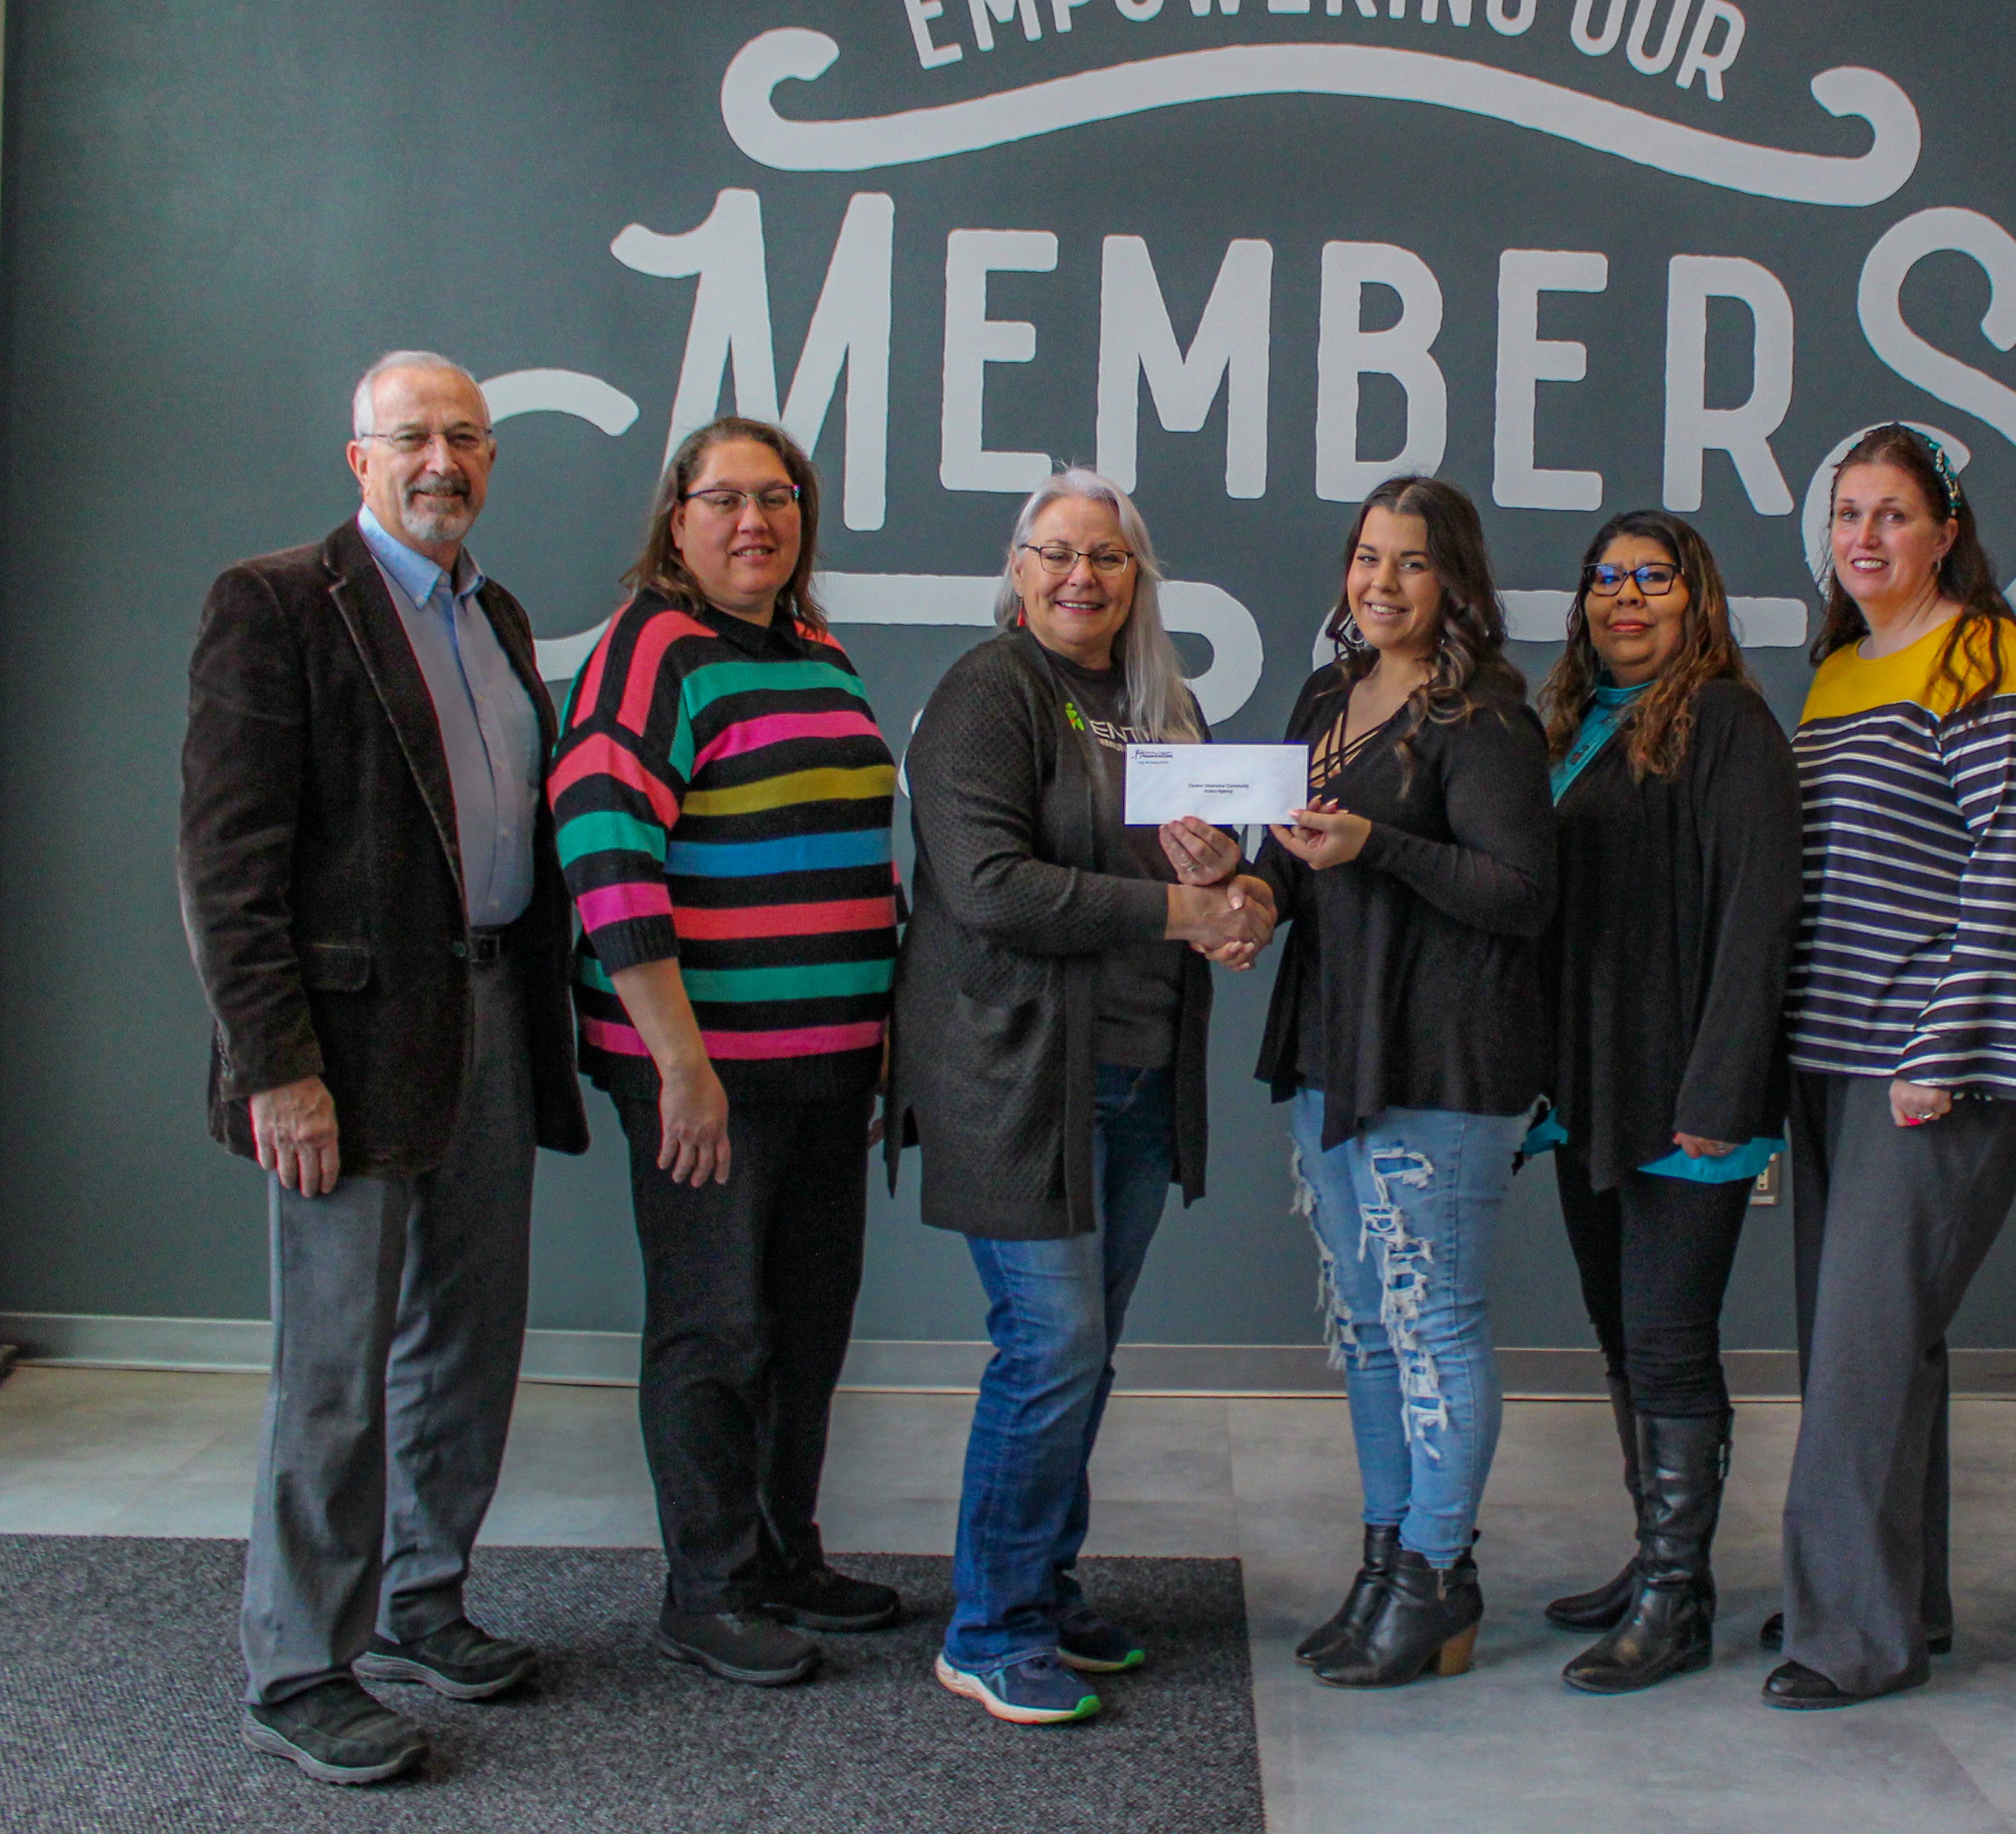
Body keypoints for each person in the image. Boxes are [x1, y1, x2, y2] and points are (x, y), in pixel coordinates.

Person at [179, 350, 588, 1785]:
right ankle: (299, 1666)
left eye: (465, 437)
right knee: (336, 1370)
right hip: (340, 1056)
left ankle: (424, 1601)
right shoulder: (277, 603)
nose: (441, 461)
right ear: (358, 458)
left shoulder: (499, 614)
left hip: (485, 1021)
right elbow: (226, 871)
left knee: (469, 1343)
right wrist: (272, 1067)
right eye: (411, 436)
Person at [892, 468, 1274, 1728]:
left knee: (1086, 1351)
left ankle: (1043, 1586)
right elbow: (991, 884)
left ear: (1135, 576)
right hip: (1014, 1076)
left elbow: (1220, 866)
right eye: (1055, 553)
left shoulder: (1162, 705)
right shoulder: (985, 695)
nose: (1079, 577)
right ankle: (988, 1624)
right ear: (1017, 569)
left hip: (1134, 1073)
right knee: (1049, 1345)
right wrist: (1182, 907)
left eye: (1105, 557)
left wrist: (1236, 883)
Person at [549, 417, 901, 1688]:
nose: (754, 520)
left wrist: (877, 1037)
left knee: (808, 1322)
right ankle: (706, 1589)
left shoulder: (815, 647)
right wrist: (678, 1061)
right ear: (677, 518)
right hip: (700, 1067)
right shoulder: (652, 653)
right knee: (715, 1324)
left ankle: (784, 1555)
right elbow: (603, 853)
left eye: (778, 497)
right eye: (724, 499)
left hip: (824, 1059)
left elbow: (853, 852)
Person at [1766, 426, 2016, 1711]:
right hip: (1829, 1060)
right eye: (1848, 514)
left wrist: (1938, 1052)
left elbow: (2014, 872)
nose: (1865, 537)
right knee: (1879, 1353)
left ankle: (1844, 1639)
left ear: (1946, 533)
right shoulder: (1838, 671)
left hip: (1927, 1066)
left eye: (1893, 515)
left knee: (1860, 1362)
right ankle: (1903, 1604)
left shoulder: (1991, 663)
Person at [1256, 474, 1557, 1691]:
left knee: (1432, 1328)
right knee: (1369, 1331)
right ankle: (1388, 1560)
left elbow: (1521, 895)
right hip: (1335, 1052)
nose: (1380, 583)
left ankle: (1438, 1574)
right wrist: (1237, 898)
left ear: (1458, 584)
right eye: (1366, 557)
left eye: (1412, 563)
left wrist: (1378, 843)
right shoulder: (1327, 694)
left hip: (1441, 1061)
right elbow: (1291, 857)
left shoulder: (1484, 721)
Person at [1532, 510, 1802, 1693]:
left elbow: (1759, 914)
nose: (1624, 598)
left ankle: (1677, 1600)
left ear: (1697, 599)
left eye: (1652, 579)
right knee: (1620, 1339)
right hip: (1588, 1086)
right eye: (1605, 579)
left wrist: (1722, 1087)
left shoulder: (1730, 724)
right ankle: (1652, 1559)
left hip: (1686, 1084)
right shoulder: (1568, 726)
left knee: (1668, 1345)